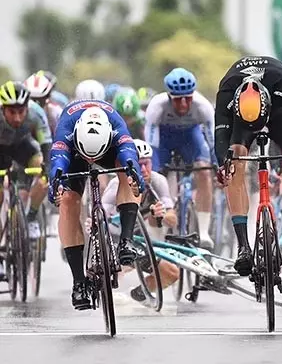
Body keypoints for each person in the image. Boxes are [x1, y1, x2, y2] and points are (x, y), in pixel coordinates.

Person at [214, 55, 282, 291]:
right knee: (233, 165)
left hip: (279, 117)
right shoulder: (227, 89)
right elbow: (220, 134)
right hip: (241, 121)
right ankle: (243, 247)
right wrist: (223, 165)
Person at [49, 100, 144, 309]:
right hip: (74, 153)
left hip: (108, 149)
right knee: (68, 201)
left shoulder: (117, 128)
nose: (91, 160)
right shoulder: (66, 128)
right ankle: (78, 282)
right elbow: (57, 162)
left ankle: (126, 241)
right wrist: (55, 183)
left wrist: (135, 175)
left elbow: (130, 156)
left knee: (128, 174)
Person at [144, 68, 216, 249]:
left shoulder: (203, 106)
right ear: (169, 97)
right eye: (177, 99)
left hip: (190, 137)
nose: (183, 103)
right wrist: (157, 170)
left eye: (188, 98)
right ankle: (158, 232)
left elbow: (212, 141)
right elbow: (152, 144)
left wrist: (217, 164)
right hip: (164, 140)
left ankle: (204, 231)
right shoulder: (157, 105)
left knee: (204, 172)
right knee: (158, 180)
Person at [101, 139, 179, 303]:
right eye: (139, 165)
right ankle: (113, 294)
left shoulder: (158, 181)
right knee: (120, 266)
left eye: (146, 164)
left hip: (142, 241)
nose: (143, 169)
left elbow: (172, 219)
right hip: (118, 239)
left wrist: (162, 215)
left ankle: (136, 295)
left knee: (172, 273)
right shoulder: (117, 184)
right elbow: (101, 216)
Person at [0, 81, 52, 280]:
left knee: (45, 176)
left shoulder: (36, 113)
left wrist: (47, 169)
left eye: (21, 112)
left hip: (24, 148)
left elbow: (46, 144)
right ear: (3, 109)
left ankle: (30, 218)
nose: (17, 118)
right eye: (11, 112)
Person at [24, 70, 65, 134]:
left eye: (39, 100)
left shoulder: (57, 113)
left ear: (48, 96)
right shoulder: (17, 114)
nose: (35, 106)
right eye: (32, 100)